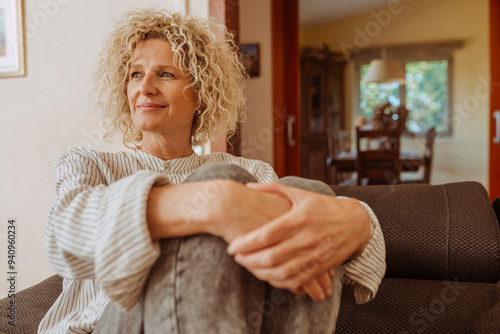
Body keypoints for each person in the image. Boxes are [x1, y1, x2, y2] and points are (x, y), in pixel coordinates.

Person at [39, 9, 385, 334]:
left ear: (201, 92)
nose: (144, 87)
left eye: (165, 73)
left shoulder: (251, 170)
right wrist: (215, 202)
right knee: (221, 182)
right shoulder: (89, 164)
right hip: (104, 326)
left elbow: (334, 234)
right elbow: (63, 235)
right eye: (135, 74)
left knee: (308, 193)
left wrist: (357, 220)